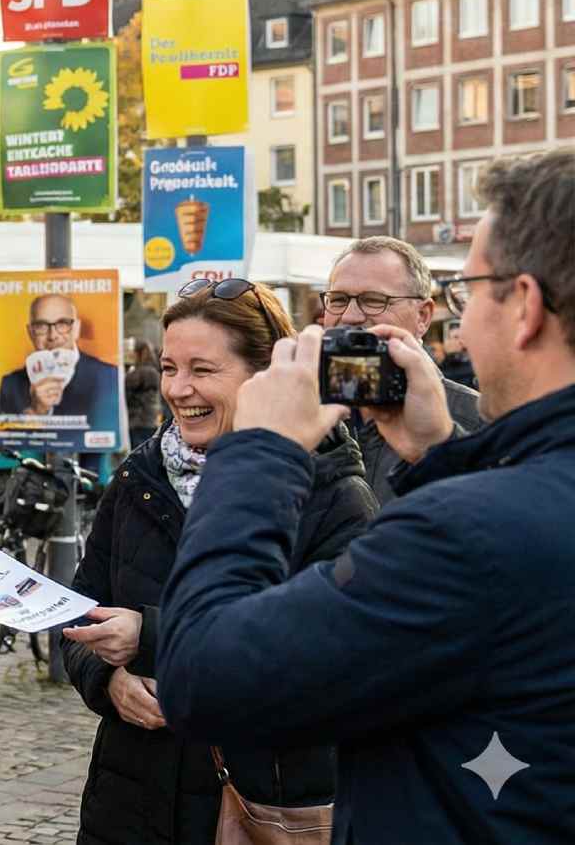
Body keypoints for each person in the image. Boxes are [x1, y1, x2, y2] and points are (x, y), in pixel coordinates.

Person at [156, 149, 575, 841]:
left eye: (470, 292)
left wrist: (261, 450)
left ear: (525, 305)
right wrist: (438, 454)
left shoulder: (468, 534)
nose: (463, 327)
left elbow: (204, 675)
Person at [57, 278, 374, 844]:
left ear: (263, 379)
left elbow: (333, 662)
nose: (179, 389)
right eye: (169, 367)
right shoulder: (138, 478)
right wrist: (108, 680)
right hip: (131, 806)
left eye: (202, 370)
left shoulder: (333, 494)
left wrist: (151, 639)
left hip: (262, 805)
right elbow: (76, 616)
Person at [319, 235, 482, 501]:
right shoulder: (305, 416)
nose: (349, 316)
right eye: (337, 300)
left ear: (423, 316)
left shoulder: (475, 421)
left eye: (373, 299)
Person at [0, 293, 121, 436]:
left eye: (62, 324)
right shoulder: (10, 385)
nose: (53, 335)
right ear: (30, 332)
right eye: (41, 326)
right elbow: (4, 440)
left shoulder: (108, 375)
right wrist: (37, 413)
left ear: (77, 328)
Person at [124, 339, 162, 449]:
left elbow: (126, 396)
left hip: (138, 421)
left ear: (137, 354)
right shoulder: (153, 371)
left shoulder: (139, 373)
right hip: (150, 420)